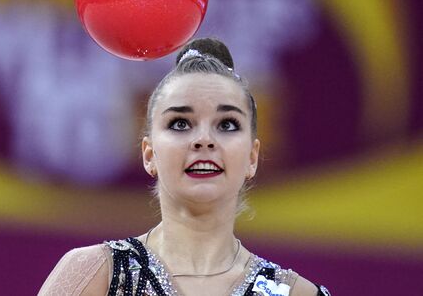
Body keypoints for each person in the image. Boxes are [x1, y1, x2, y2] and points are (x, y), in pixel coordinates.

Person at [38, 38, 330, 295]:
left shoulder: (296, 294)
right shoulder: (94, 275)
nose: (204, 140)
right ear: (149, 153)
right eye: (180, 123)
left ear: (252, 157)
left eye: (227, 124)